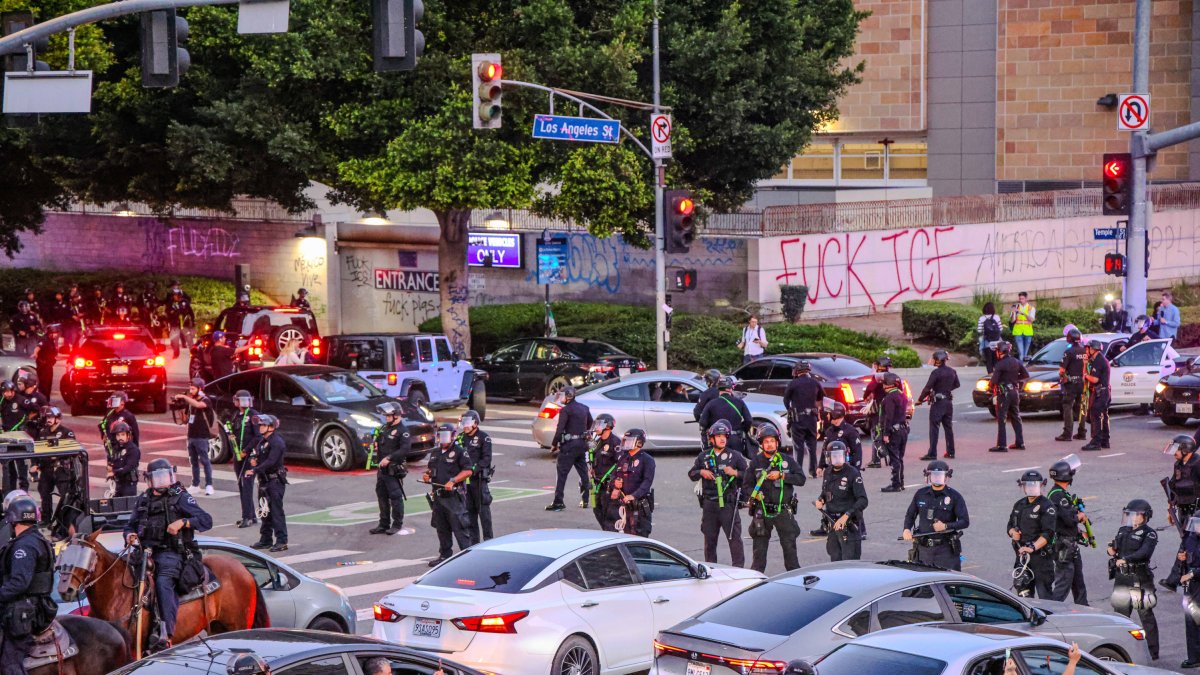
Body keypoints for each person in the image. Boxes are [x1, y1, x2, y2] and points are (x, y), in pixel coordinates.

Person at [123, 459, 213, 652]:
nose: (164, 481)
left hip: (172, 553)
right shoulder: (143, 499)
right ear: (149, 480)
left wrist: (183, 523)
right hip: (145, 553)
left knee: (163, 582)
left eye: (166, 476)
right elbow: (130, 525)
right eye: (159, 478)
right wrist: (129, 535)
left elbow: (206, 520)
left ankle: (166, 633)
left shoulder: (181, 497)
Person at [0, 496, 56, 674]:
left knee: (9, 665)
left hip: (24, 611)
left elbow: (19, 583)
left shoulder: (24, 546)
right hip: (32, 606)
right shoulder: (36, 540)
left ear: (13, 520)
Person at [744, 422, 804, 573]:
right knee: (759, 553)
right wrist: (755, 494)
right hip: (762, 511)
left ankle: (794, 578)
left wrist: (782, 475)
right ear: (761, 444)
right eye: (766, 441)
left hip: (783, 511)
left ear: (777, 442)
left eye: (772, 441)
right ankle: (756, 578)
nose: (770, 444)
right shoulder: (755, 462)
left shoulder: (786, 460)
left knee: (790, 550)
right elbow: (746, 486)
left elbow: (801, 479)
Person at [689, 421, 748, 567]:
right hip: (709, 504)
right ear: (711, 439)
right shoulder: (704, 456)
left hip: (728, 504)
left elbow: (749, 476)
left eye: (724, 436)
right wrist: (701, 472)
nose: (722, 439)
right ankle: (711, 569)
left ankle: (739, 569)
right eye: (718, 436)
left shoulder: (735, 456)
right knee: (709, 540)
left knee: (734, 539)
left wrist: (735, 473)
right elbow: (691, 474)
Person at [1108, 499, 1160, 662]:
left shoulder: (1149, 534)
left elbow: (1144, 553)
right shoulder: (1123, 530)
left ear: (1145, 517)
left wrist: (1126, 559)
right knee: (1120, 615)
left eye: (1137, 515)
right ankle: (1122, 649)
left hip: (1140, 578)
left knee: (1145, 615)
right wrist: (1111, 550)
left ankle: (1152, 651)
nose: (1133, 517)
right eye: (1131, 514)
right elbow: (1115, 548)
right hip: (1122, 578)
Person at [903, 460, 969, 570]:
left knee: (948, 579)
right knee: (923, 579)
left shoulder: (955, 497)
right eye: (934, 475)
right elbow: (910, 514)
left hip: (945, 551)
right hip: (923, 550)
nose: (937, 478)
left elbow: (965, 521)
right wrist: (906, 529)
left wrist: (946, 526)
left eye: (940, 475)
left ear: (946, 477)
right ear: (928, 476)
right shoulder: (920, 494)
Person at [423, 423, 473, 566]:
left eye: (445, 436)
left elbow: (468, 471)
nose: (443, 439)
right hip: (438, 496)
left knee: (460, 528)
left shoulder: (459, 452)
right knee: (442, 528)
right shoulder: (435, 452)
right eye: (440, 436)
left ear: (453, 436)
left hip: (453, 498)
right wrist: (427, 475)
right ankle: (444, 555)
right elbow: (431, 469)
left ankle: (469, 558)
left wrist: (453, 481)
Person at [1160, 434, 1200, 593]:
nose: (1174, 453)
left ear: (1186, 450)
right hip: (1183, 511)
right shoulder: (1178, 464)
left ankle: (1174, 580)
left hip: (1196, 513)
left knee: (1187, 543)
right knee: (1187, 543)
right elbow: (1173, 487)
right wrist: (1170, 509)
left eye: (1176, 449)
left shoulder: (1198, 465)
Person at [1007, 470, 1057, 599]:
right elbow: (1010, 525)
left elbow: (1048, 533)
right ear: (1023, 486)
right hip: (1022, 558)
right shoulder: (1019, 505)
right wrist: (1013, 532)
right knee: (1023, 597)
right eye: (1028, 485)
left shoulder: (1047, 506)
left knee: (1045, 598)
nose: (1031, 488)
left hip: (1041, 559)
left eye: (1034, 485)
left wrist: (1032, 547)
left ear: (1041, 486)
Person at [815, 440, 868, 561]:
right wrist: (821, 499)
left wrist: (847, 515)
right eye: (834, 456)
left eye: (840, 455)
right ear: (828, 457)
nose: (837, 458)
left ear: (845, 456)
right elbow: (826, 492)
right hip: (833, 523)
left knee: (849, 562)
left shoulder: (853, 473)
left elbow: (863, 500)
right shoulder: (827, 472)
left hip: (848, 525)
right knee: (835, 559)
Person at [1047, 456, 1089, 605]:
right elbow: (1068, 519)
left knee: (1079, 585)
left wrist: (1079, 533)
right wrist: (1079, 516)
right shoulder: (1058, 496)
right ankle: (1049, 611)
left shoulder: (1059, 493)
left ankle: (1085, 610)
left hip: (1070, 545)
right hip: (1064, 547)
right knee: (1063, 584)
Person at [547, 386, 592, 512]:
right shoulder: (584, 408)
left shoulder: (566, 410)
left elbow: (560, 429)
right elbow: (590, 423)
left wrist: (554, 444)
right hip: (582, 444)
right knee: (583, 472)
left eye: (561, 395)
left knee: (562, 474)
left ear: (568, 396)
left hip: (569, 446)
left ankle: (558, 501)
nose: (560, 397)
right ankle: (585, 500)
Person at [248, 415, 288, 552]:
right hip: (264, 480)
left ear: (271, 427)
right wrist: (254, 460)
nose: (260, 427)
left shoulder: (277, 442)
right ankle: (266, 539)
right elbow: (258, 456)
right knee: (264, 511)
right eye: (260, 425)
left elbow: (271, 461)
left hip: (274, 481)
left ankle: (281, 541)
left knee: (276, 512)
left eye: (263, 425)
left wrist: (255, 470)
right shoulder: (262, 441)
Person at [368, 402, 410, 537]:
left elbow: (405, 449)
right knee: (381, 495)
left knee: (395, 496)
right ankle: (383, 523)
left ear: (396, 415)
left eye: (388, 416)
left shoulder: (403, 431)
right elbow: (379, 442)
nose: (386, 418)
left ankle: (397, 524)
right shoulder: (385, 428)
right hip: (382, 470)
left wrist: (390, 458)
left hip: (393, 469)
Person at [31, 407, 75, 527]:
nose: (48, 420)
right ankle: (46, 519)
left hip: (61, 470)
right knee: (44, 493)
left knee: (65, 496)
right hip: (46, 469)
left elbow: (73, 451)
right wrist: (35, 464)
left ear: (58, 419)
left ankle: (64, 521)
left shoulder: (67, 433)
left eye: (51, 417)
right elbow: (36, 450)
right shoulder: (43, 433)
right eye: (47, 417)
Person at [172, 378, 215, 496]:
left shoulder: (206, 400)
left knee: (205, 461)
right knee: (194, 461)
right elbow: (185, 420)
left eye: (193, 389)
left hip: (202, 436)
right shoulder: (190, 402)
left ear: (200, 389)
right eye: (190, 389)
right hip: (191, 435)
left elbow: (199, 405)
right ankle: (195, 484)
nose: (191, 391)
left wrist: (184, 397)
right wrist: (179, 408)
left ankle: (209, 485)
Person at [225, 390, 260, 529]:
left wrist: (246, 450)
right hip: (238, 455)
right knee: (242, 485)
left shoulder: (253, 415)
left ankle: (247, 517)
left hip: (249, 456)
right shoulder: (236, 415)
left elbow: (258, 437)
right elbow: (234, 432)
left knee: (247, 486)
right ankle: (251, 515)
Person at [917, 350, 959, 460]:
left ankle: (932, 453)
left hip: (938, 403)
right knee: (948, 428)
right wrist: (946, 390)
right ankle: (951, 452)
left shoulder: (936, 373)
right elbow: (957, 384)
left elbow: (927, 388)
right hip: (948, 402)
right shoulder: (952, 371)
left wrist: (920, 399)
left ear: (937, 360)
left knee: (934, 428)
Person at [784, 361, 823, 477]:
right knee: (812, 445)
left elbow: (786, 400)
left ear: (797, 371)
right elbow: (820, 399)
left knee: (798, 447)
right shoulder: (815, 383)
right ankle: (813, 471)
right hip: (812, 419)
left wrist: (790, 410)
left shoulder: (793, 383)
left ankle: (798, 471)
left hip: (798, 419)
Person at [613, 429, 655, 536]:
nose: (626, 443)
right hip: (625, 506)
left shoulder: (647, 460)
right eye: (625, 440)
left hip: (639, 507)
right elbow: (615, 474)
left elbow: (647, 482)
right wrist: (615, 484)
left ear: (639, 443)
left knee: (640, 536)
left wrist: (633, 496)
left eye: (629, 441)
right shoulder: (624, 458)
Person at [459, 410, 493, 544]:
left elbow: (486, 459)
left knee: (484, 512)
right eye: (464, 423)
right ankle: (474, 543)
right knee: (469, 512)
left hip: (478, 481)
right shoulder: (460, 438)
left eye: (468, 423)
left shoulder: (484, 438)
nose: (465, 426)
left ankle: (488, 540)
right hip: (464, 482)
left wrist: (473, 469)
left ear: (475, 423)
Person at [989, 341, 1029, 452]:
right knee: (1016, 416)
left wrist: (991, 385)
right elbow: (1025, 375)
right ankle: (1020, 442)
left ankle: (1002, 445)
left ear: (1000, 351)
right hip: (1015, 392)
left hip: (1004, 393)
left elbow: (994, 381)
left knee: (1002, 418)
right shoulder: (1016, 361)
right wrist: (1014, 379)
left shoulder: (1000, 364)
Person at [698, 376, 753, 457]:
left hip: (718, 440)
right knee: (736, 462)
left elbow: (702, 423)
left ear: (718, 389)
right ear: (730, 389)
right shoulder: (739, 402)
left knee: (717, 462)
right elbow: (749, 420)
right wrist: (741, 429)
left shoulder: (711, 403)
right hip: (735, 439)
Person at [587, 414, 621, 531]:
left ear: (608, 426)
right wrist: (591, 469)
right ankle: (606, 531)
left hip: (608, 485)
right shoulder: (597, 441)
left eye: (599, 425)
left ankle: (611, 535)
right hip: (597, 484)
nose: (596, 428)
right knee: (597, 510)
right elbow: (590, 453)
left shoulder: (615, 443)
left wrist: (616, 486)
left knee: (609, 515)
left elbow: (620, 464)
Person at [1056, 327, 1088, 443]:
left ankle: (1067, 433)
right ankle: (1082, 432)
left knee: (1067, 406)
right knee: (1081, 407)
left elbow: (1062, 370)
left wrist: (1062, 377)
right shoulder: (1085, 351)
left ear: (1069, 338)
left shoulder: (1068, 352)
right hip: (1083, 382)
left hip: (1071, 383)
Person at [879, 372, 909, 493]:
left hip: (894, 432)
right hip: (903, 430)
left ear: (887, 384)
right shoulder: (902, 395)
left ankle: (895, 484)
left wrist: (886, 434)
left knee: (894, 458)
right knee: (900, 458)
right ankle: (901, 482)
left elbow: (889, 417)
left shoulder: (889, 398)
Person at [1081, 339, 1112, 451]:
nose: (1086, 351)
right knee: (1103, 416)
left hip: (1101, 392)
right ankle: (1105, 441)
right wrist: (1085, 364)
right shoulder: (1096, 360)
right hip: (1104, 391)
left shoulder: (1099, 361)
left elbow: (1094, 379)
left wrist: (1085, 375)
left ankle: (1096, 442)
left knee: (1095, 416)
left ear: (1093, 349)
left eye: (1088, 349)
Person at [863, 356, 894, 468]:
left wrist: (865, 397)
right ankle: (892, 458)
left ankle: (876, 460)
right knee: (889, 433)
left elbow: (869, 388)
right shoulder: (892, 376)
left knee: (876, 434)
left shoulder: (878, 377)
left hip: (879, 410)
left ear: (879, 366)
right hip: (891, 409)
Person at [99, 391, 139, 466]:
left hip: (124, 447)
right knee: (112, 466)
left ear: (122, 402)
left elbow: (135, 433)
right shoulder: (110, 414)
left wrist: (135, 449)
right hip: (112, 446)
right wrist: (103, 435)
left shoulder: (128, 416)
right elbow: (102, 424)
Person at [109, 421, 141, 497]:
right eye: (118, 435)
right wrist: (110, 467)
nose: (120, 438)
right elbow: (113, 461)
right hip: (118, 483)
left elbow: (129, 467)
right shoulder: (116, 448)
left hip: (129, 484)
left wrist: (114, 472)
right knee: (115, 502)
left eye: (123, 435)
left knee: (127, 503)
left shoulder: (133, 449)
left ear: (128, 435)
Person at [164, 286, 195, 359]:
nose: (175, 296)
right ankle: (176, 353)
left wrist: (192, 321)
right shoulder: (171, 303)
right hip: (175, 324)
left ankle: (193, 354)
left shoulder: (185, 302)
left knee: (189, 339)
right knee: (174, 340)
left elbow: (191, 312)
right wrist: (171, 314)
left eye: (176, 295)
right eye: (174, 295)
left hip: (185, 324)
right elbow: (167, 312)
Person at [31, 325, 59, 400]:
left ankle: (47, 400)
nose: (56, 335)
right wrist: (35, 353)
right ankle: (42, 401)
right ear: (50, 333)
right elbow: (38, 347)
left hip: (49, 366)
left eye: (56, 333)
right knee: (44, 386)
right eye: (54, 333)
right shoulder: (44, 340)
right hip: (43, 366)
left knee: (49, 384)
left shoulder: (52, 341)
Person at [692, 369, 721, 438]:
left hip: (711, 429)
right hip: (727, 429)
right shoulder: (726, 393)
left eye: (707, 380)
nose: (706, 382)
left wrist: (701, 421)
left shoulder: (706, 394)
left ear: (711, 381)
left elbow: (697, 412)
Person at [977, 302, 1003, 373]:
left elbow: (979, 330)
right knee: (997, 359)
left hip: (987, 342)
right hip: (997, 342)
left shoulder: (982, 318)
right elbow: (1001, 329)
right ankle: (997, 374)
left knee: (989, 360)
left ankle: (990, 375)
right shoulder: (996, 317)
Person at [1010, 292, 1036, 361]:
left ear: (1026, 299)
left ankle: (1022, 366)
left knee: (1025, 355)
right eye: (1020, 298)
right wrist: (1013, 313)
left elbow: (1032, 320)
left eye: (1022, 298)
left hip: (1028, 332)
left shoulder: (1031, 308)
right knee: (1021, 353)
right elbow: (1012, 321)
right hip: (1018, 332)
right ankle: (1021, 366)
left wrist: (1023, 313)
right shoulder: (1016, 307)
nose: (1021, 300)